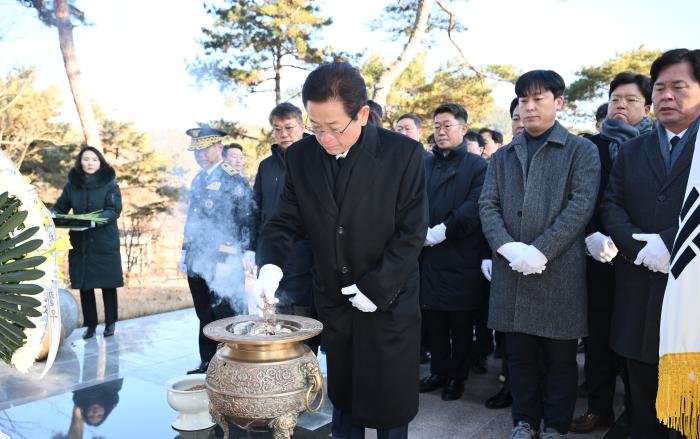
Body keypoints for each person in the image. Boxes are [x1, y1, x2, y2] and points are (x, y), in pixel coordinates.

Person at [251, 62, 428, 439]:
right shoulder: (301, 156)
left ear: (361, 114)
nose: (324, 138)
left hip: (389, 299)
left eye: (333, 127)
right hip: (334, 299)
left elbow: (411, 232)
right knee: (345, 400)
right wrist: (269, 266)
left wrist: (377, 287)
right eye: (315, 127)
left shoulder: (403, 154)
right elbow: (284, 220)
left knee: (389, 403)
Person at [479, 70, 600, 439]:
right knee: (519, 357)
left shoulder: (581, 150)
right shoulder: (503, 155)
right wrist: (506, 246)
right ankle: (524, 421)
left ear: (558, 102)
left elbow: (580, 206)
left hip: (559, 271)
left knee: (560, 359)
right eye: (523, 100)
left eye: (538, 98)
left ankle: (556, 426)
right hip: (512, 271)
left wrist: (541, 250)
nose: (529, 107)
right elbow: (487, 204)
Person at [601, 48, 700, 439]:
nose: (667, 96)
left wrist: (669, 243)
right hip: (639, 287)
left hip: (690, 294)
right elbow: (612, 204)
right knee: (642, 396)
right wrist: (639, 247)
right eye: (660, 88)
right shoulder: (633, 149)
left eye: (679, 86)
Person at [570, 72, 653, 434]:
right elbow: (578, 197)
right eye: (615, 98)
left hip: (642, 257)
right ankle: (599, 407)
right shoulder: (589, 147)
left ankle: (635, 413)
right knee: (598, 339)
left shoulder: (657, 146)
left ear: (646, 107)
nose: (621, 105)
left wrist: (630, 238)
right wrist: (590, 233)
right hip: (597, 257)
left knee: (636, 342)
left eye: (631, 100)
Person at [418, 103, 489, 401]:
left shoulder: (477, 166)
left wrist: (444, 229)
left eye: (447, 125)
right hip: (428, 256)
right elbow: (412, 200)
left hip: (461, 254)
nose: (441, 131)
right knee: (433, 321)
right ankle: (438, 371)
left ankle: (457, 377)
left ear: (463, 128)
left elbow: (475, 205)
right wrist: (419, 230)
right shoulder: (425, 164)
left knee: (460, 323)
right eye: (436, 126)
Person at [180, 126, 256, 375]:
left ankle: (234, 365)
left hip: (224, 257)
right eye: (196, 151)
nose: (200, 155)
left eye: (205, 149)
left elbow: (247, 216)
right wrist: (184, 252)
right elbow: (192, 219)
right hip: (198, 257)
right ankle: (208, 362)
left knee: (226, 312)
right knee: (204, 312)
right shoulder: (198, 179)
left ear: (219, 148)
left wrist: (247, 250)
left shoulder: (232, 178)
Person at [251, 103, 317, 351]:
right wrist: (252, 247)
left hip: (303, 253)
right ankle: (276, 361)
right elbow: (256, 208)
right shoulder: (266, 166)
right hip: (270, 253)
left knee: (301, 317)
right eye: (277, 129)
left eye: (289, 127)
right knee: (271, 312)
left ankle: (304, 360)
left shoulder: (315, 158)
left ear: (302, 126)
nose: (283, 134)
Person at [54, 146, 123, 339]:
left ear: (100, 162)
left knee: (108, 285)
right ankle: (91, 325)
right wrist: (51, 215)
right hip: (81, 242)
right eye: (86, 159)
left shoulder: (110, 184)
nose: (90, 163)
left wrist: (93, 221)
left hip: (104, 241)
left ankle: (110, 323)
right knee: (86, 286)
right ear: (80, 162)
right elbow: (60, 207)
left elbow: (114, 210)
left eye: (94, 159)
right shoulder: (72, 185)